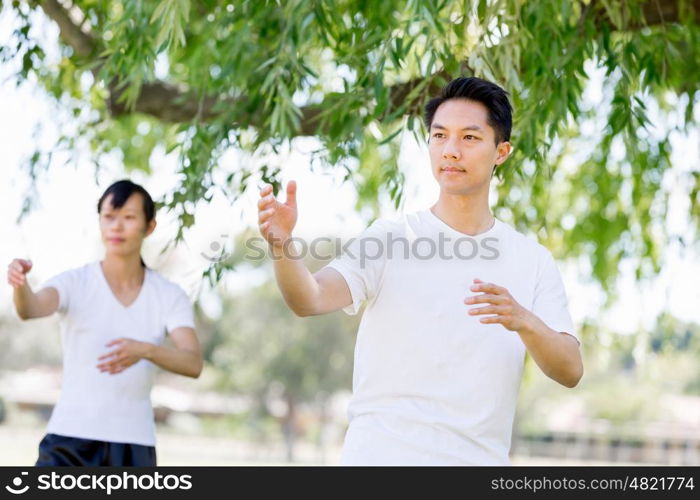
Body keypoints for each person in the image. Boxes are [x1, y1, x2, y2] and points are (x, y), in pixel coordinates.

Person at [257, 76, 583, 465]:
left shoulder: (531, 260)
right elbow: (308, 298)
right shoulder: (391, 238)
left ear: (502, 151)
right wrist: (282, 245)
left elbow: (570, 370)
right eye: (439, 135)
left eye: (469, 138)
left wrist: (524, 321)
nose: (450, 150)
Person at [7, 180, 203, 466]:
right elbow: (31, 308)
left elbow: (192, 363)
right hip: (68, 441)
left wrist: (145, 350)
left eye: (129, 217)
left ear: (149, 227)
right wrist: (20, 285)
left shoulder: (169, 295)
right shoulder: (75, 282)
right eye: (109, 217)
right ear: (99, 222)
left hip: (134, 445)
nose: (117, 227)